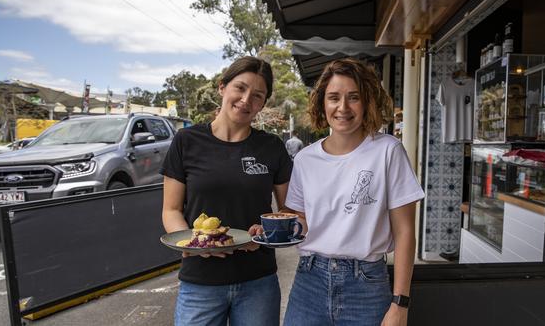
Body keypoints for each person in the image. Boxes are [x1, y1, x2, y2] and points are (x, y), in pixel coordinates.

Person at [283, 58, 424, 326]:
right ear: (322, 103)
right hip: (309, 280)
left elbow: (405, 232)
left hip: (367, 285)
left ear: (367, 101)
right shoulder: (305, 159)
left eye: (353, 97)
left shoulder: (388, 151)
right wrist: (273, 229)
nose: (343, 107)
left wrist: (400, 304)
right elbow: (301, 222)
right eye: (334, 97)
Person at [161, 56, 292, 326]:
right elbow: (171, 209)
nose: (246, 100)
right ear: (222, 87)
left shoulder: (272, 147)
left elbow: (288, 211)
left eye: (257, 95)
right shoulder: (186, 141)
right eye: (240, 88)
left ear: (263, 104)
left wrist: (270, 231)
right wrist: (195, 244)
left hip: (258, 281)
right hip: (200, 282)